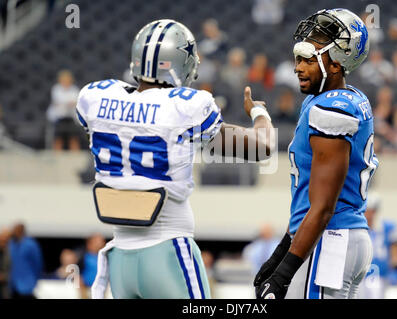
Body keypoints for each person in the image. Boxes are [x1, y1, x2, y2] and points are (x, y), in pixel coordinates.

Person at [75, 19, 274, 299]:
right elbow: (262, 147)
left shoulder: (96, 98)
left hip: (120, 258)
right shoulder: (187, 106)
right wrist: (259, 114)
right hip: (167, 251)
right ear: (181, 63)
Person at [254, 8, 377, 299]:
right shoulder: (348, 98)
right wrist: (280, 253)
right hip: (345, 237)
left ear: (337, 65)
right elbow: (308, 196)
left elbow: (322, 207)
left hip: (330, 239)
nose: (298, 67)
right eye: (297, 59)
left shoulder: (330, 108)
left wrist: (283, 274)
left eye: (308, 59)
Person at [358, 194, 397, 299]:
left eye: (372, 210)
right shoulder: (357, 226)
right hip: (359, 276)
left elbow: (396, 255)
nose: (369, 214)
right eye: (367, 210)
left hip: (379, 275)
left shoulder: (387, 227)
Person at [46, 70, 81, 151]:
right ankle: (57, 156)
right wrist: (69, 102)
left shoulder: (74, 89)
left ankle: (75, 156)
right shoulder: (56, 89)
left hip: (71, 117)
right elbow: (59, 100)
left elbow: (76, 101)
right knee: (58, 137)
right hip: (59, 117)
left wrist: (69, 103)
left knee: (73, 137)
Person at [8, 223, 43, 299]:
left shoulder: (31, 244)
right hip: (13, 285)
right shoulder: (11, 244)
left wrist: (35, 279)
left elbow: (37, 264)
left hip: (27, 285)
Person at [0, 228, 11, 299]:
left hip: (5, 290)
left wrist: (5, 276)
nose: (4, 243)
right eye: (2, 241)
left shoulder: (9, 253)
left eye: (6, 241)